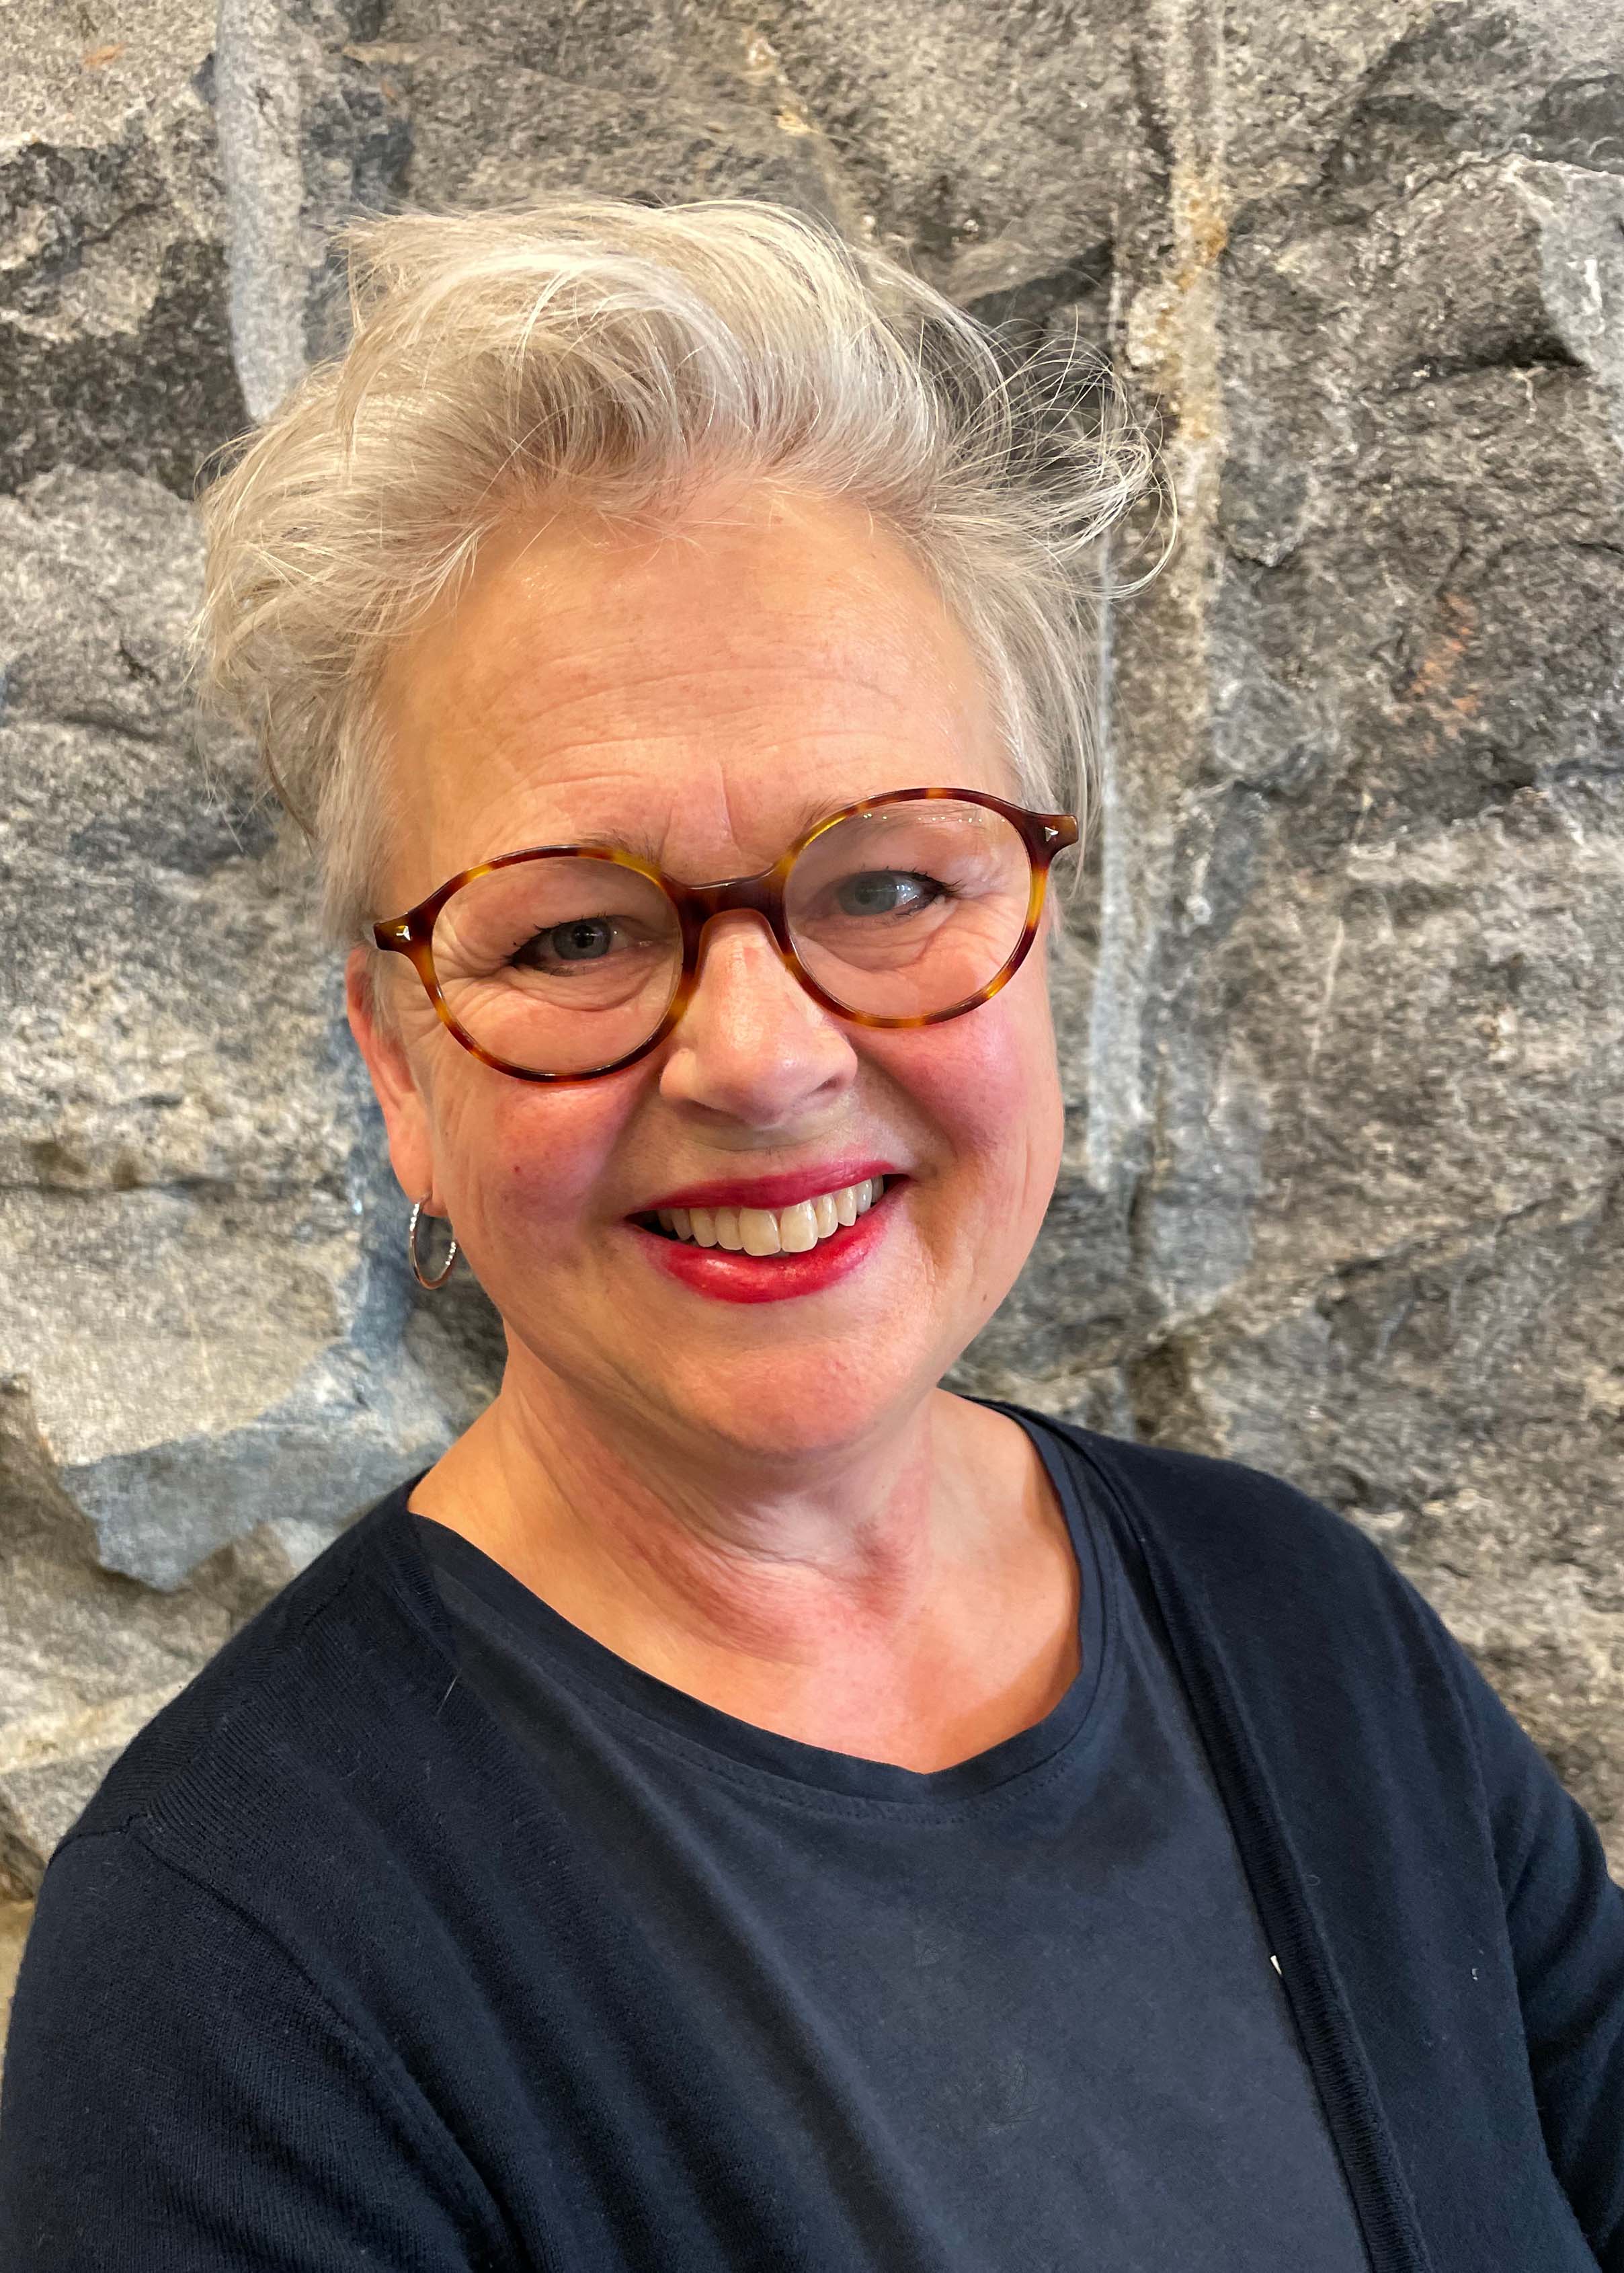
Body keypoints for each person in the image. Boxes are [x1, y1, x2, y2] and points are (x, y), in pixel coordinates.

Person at [1, 198, 1619, 2273]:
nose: (760, 1059)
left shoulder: (1305, 1635)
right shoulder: (244, 1978)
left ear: (1039, 933)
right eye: (576, 931)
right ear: (402, 1065)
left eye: (886, 885)